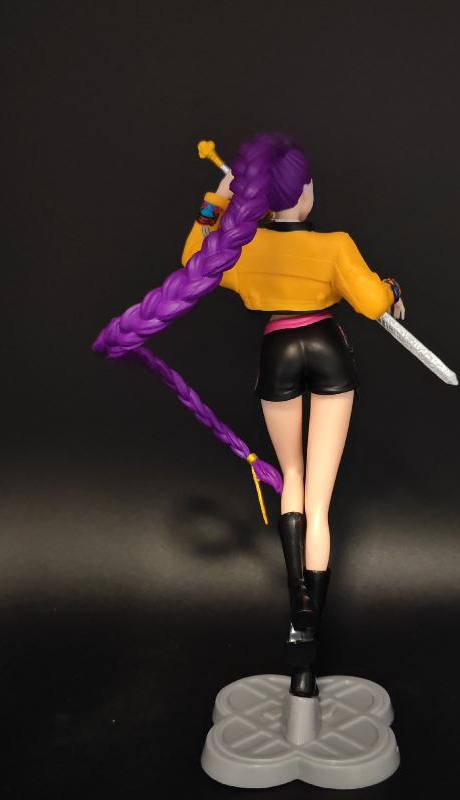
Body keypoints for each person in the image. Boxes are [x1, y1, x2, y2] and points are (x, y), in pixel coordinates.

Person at [179, 132, 405, 696]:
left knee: (293, 478)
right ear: (303, 193)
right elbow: (373, 303)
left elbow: (192, 261)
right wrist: (393, 288)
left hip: (277, 353)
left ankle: (296, 603)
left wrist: (217, 199)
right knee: (320, 501)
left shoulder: (246, 247)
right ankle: (310, 645)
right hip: (327, 351)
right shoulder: (334, 245)